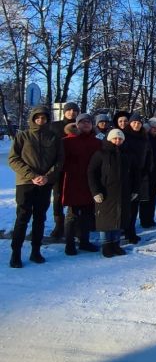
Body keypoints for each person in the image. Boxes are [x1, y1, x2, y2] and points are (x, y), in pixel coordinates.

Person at [8, 106, 64, 268]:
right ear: (33, 119)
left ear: (47, 119)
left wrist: (47, 176)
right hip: (26, 183)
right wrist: (32, 176)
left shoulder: (54, 138)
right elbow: (13, 159)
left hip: (45, 183)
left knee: (40, 218)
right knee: (22, 217)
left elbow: (59, 160)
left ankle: (36, 251)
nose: (40, 120)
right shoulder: (23, 136)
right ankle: (16, 253)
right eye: (37, 117)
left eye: (44, 118)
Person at [87, 128, 138, 258]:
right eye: (115, 138)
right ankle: (106, 245)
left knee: (119, 219)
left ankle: (116, 244)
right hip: (105, 192)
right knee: (105, 220)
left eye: (120, 139)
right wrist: (96, 191)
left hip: (123, 192)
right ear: (109, 139)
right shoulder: (100, 153)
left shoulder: (127, 154)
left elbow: (135, 173)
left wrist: (134, 190)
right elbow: (91, 172)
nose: (117, 141)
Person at [61, 113, 102, 255]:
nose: (86, 124)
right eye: (82, 122)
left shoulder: (97, 142)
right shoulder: (67, 141)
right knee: (72, 215)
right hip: (73, 181)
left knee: (87, 214)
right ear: (77, 124)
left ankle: (84, 241)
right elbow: (61, 162)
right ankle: (69, 244)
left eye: (88, 122)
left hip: (90, 183)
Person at [48, 101, 79, 239]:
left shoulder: (80, 126)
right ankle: (58, 225)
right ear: (65, 111)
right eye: (69, 110)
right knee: (58, 196)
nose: (72, 112)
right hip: (59, 168)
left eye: (74, 110)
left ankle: (74, 224)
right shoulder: (55, 126)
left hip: (76, 168)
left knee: (75, 196)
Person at [120, 113, 151, 244]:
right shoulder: (124, 136)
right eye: (134, 123)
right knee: (125, 206)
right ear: (130, 123)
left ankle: (131, 231)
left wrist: (146, 169)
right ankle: (124, 231)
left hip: (140, 175)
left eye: (138, 123)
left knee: (135, 205)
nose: (136, 125)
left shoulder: (144, 138)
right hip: (126, 174)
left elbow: (149, 155)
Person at [140, 117, 156, 228]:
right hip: (146, 173)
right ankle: (144, 219)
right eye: (153, 127)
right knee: (145, 198)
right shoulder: (144, 139)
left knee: (153, 197)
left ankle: (151, 218)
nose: (155, 129)